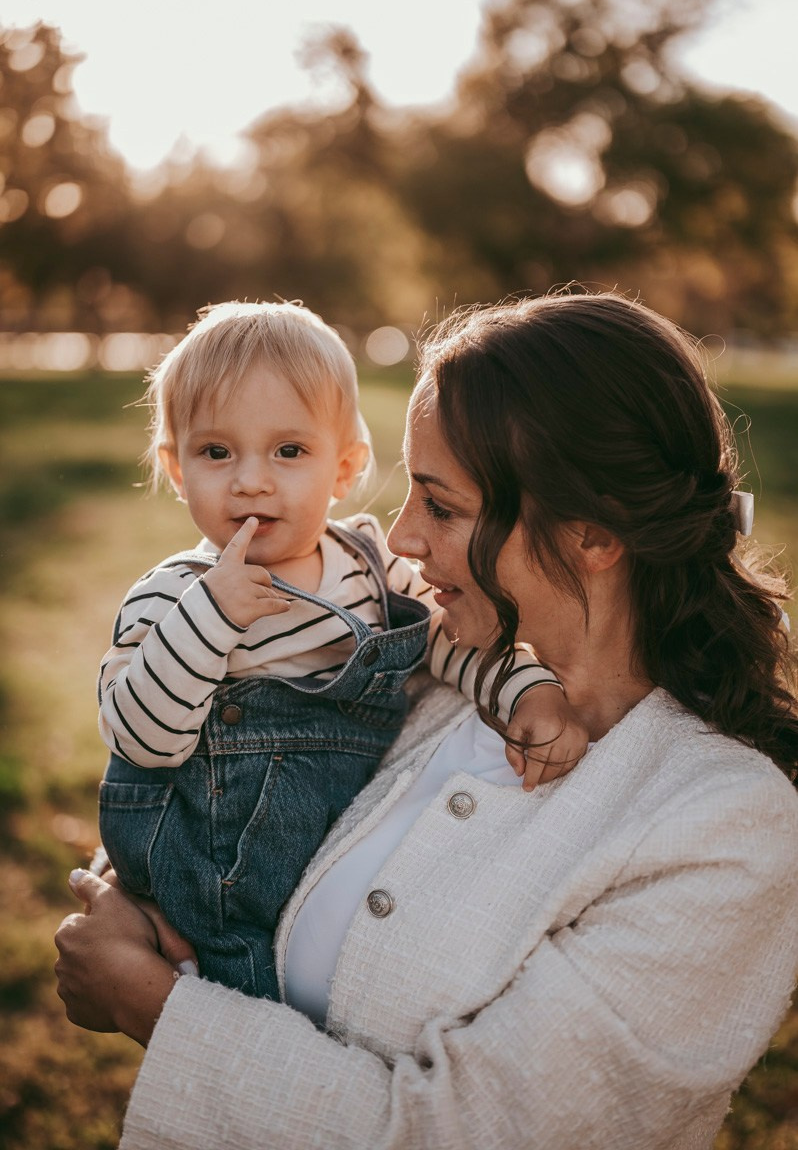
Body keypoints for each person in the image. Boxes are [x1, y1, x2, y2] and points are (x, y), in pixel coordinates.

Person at [56, 290, 798, 1150]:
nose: (397, 538)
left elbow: (464, 1134)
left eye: (442, 507)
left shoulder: (727, 829)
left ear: (594, 535)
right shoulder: (425, 675)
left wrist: (149, 1001)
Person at [95, 299, 585, 1000]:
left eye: (289, 451)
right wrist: (210, 618)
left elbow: (446, 643)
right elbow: (142, 740)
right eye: (215, 452)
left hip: (329, 845)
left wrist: (527, 691)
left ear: (346, 468)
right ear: (176, 469)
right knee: (250, 997)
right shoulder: (173, 594)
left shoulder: (367, 565)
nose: (251, 479)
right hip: (210, 864)